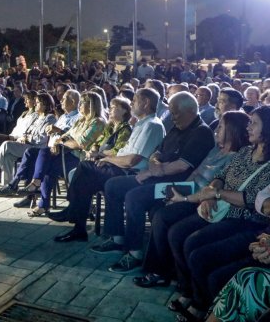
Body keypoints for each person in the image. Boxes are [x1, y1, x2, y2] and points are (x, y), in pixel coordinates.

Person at [164, 106, 270, 321]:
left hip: (247, 221)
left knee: (198, 251)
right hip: (222, 209)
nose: (248, 127)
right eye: (248, 122)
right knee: (177, 233)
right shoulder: (244, 152)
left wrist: (218, 194)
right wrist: (212, 194)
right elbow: (221, 176)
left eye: (254, 123)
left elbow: (254, 201)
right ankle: (191, 294)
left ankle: (202, 305)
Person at [93, 92, 215, 273]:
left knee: (134, 197)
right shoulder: (177, 127)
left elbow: (182, 165)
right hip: (157, 177)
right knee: (113, 185)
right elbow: (156, 152)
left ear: (190, 111)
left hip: (178, 186)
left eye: (175, 113)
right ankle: (117, 237)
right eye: (172, 112)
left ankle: (134, 252)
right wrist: (154, 164)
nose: (172, 117)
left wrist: (154, 170)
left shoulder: (201, 132)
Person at [132, 111, 250, 290]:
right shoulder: (216, 149)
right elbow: (196, 173)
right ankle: (164, 267)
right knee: (155, 206)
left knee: (163, 217)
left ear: (233, 130)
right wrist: (178, 193)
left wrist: (186, 199)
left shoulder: (237, 156)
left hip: (202, 199)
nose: (216, 130)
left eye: (221, 126)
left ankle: (160, 271)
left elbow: (220, 184)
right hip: (190, 190)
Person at [48, 89, 165, 241]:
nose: (132, 103)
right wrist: (102, 156)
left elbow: (131, 160)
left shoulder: (151, 125)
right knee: (84, 181)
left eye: (135, 100)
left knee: (85, 167)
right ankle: (79, 228)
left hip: (130, 173)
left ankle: (73, 214)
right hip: (120, 167)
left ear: (146, 103)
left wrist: (107, 159)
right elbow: (123, 152)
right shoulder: (141, 124)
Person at [0, 93, 56, 185]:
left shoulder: (50, 119)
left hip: (36, 148)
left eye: (37, 102)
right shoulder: (37, 117)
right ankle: (7, 185)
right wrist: (23, 137)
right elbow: (27, 131)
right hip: (27, 144)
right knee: (8, 156)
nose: (35, 104)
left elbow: (42, 138)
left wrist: (27, 137)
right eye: (35, 102)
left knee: (6, 144)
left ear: (45, 105)